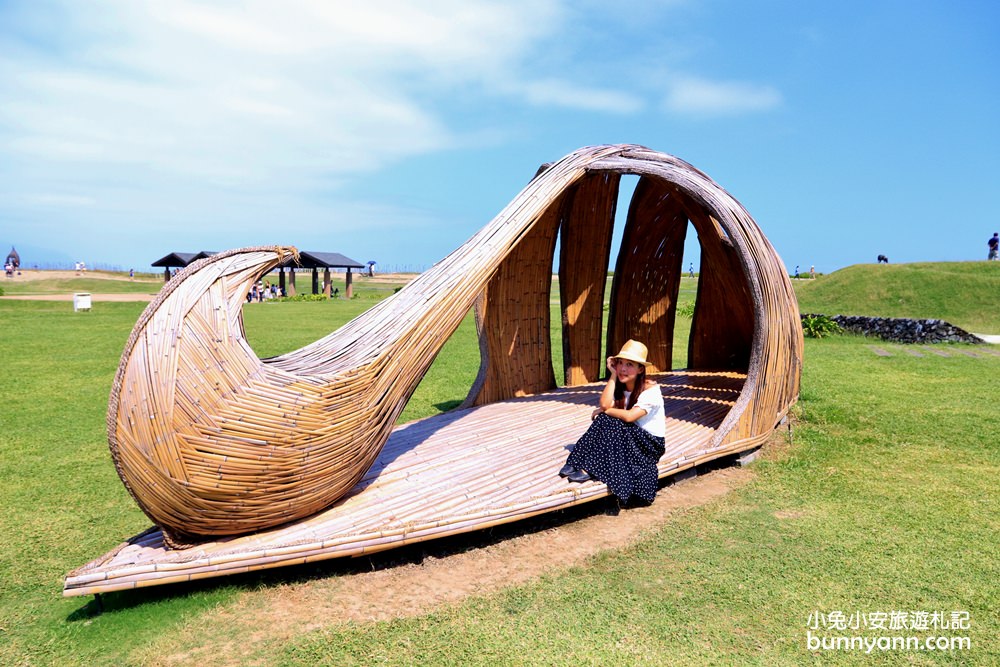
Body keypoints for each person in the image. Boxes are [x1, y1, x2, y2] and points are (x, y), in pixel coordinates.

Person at [558, 339, 666, 506]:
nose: (623, 368)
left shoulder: (651, 391)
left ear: (640, 369)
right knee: (605, 419)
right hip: (632, 436)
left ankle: (589, 467)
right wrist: (613, 374)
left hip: (649, 445)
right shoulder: (622, 384)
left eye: (630, 364)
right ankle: (576, 461)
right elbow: (606, 402)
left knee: (609, 420)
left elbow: (629, 416)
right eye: (620, 363)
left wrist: (606, 410)